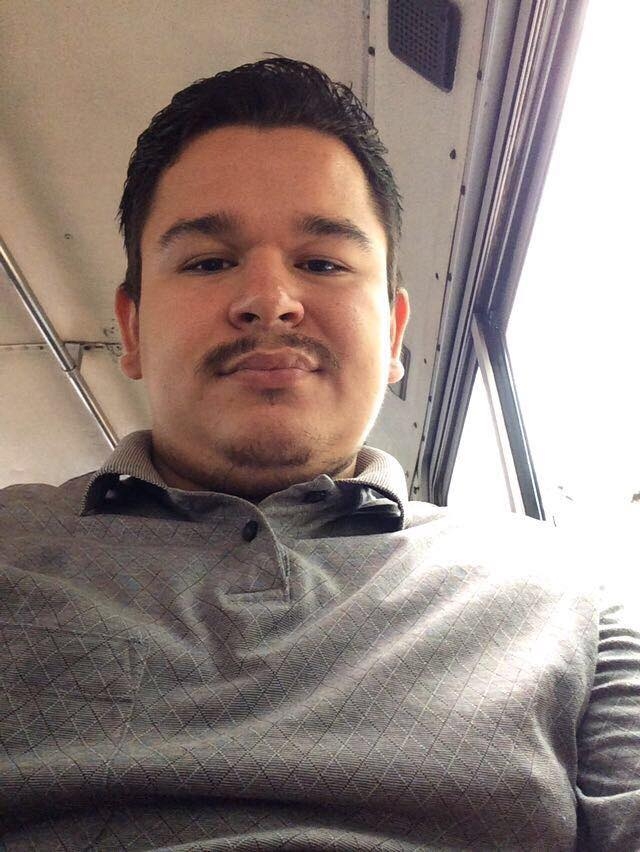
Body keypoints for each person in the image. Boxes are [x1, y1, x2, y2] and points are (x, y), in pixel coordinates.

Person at [0, 57, 638, 851]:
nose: (270, 301)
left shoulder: (569, 595)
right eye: (208, 262)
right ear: (131, 329)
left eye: (323, 263)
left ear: (394, 333)